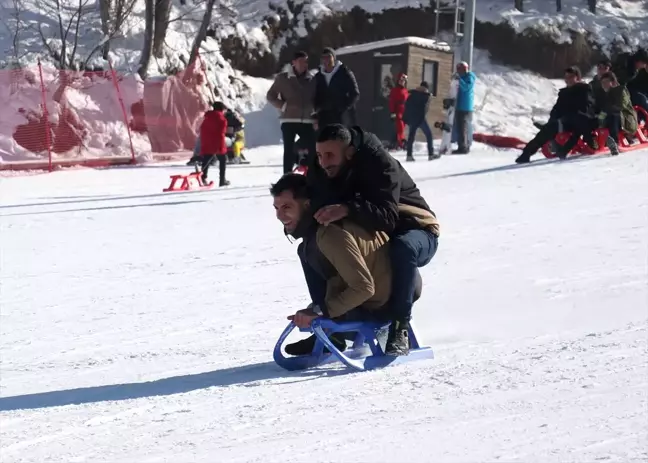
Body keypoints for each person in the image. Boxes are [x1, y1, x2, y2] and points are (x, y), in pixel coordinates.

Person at [306, 124, 439, 356]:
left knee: (403, 247)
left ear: (349, 151)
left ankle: (399, 328)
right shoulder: (323, 168)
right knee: (314, 245)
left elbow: (387, 217)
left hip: (416, 230)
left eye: (330, 155)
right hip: (377, 235)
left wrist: (347, 208)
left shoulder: (380, 163)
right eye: (319, 155)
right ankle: (331, 329)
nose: (324, 161)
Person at [271, 173, 401, 356]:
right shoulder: (318, 233)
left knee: (308, 252)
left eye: (287, 207)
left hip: (386, 303)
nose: (280, 215)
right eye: (276, 208)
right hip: (379, 294)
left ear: (306, 204)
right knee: (305, 250)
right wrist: (316, 310)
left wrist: (322, 312)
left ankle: (332, 335)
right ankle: (332, 335)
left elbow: (364, 288)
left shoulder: (329, 233)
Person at [516, 66, 596, 164]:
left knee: (578, 121)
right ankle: (527, 153)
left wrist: (572, 114)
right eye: (566, 77)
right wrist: (553, 119)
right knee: (549, 128)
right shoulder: (563, 93)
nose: (568, 80)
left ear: (577, 78)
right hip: (566, 121)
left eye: (571, 77)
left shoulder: (584, 89)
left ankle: (570, 148)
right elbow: (557, 109)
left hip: (583, 119)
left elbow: (587, 106)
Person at [266, 50, 317, 173]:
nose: (304, 64)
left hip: (308, 120)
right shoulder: (283, 78)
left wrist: (316, 114)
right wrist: (283, 106)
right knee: (288, 150)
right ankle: (287, 178)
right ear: (293, 62)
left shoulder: (313, 79)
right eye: (300, 61)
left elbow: (318, 98)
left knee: (312, 148)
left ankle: (310, 176)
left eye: (305, 61)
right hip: (288, 119)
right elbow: (270, 95)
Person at [313, 47, 360, 128]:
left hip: (341, 116)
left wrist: (345, 106)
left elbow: (355, 93)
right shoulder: (319, 76)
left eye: (328, 57)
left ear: (334, 58)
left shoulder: (344, 73)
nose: (326, 60)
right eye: (324, 58)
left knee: (340, 138)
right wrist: (317, 109)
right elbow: (315, 94)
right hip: (324, 115)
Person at [598, 71, 638, 155]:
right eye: (602, 83)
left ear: (613, 82)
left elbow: (622, 105)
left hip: (626, 118)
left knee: (613, 116)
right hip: (613, 117)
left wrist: (606, 111)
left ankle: (615, 143)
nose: (604, 85)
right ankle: (596, 141)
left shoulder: (621, 90)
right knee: (597, 118)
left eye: (606, 82)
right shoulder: (605, 94)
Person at [198, 101, 229, 186]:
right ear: (221, 109)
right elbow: (222, 133)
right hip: (217, 143)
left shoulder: (207, 117)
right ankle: (222, 180)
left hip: (207, 142)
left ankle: (203, 178)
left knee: (207, 159)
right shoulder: (222, 119)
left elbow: (202, 129)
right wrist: (220, 146)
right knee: (223, 160)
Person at [403, 81, 435, 161]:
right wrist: (429, 97)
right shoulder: (425, 96)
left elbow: (407, 106)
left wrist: (407, 118)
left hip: (412, 118)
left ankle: (409, 155)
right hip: (420, 119)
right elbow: (424, 109)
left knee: (411, 137)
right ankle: (431, 154)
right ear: (426, 88)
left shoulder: (412, 94)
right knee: (429, 134)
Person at [453, 61, 476, 154]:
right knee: (460, 127)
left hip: (466, 106)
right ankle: (462, 145)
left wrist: (459, 80)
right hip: (459, 105)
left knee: (463, 128)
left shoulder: (469, 77)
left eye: (460, 70)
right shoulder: (461, 77)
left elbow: (467, 87)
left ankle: (464, 147)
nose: (459, 72)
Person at [389, 73, 409, 150]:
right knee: (400, 129)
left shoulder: (405, 91)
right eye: (401, 80)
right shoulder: (394, 90)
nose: (402, 82)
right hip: (398, 112)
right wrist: (392, 112)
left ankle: (397, 143)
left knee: (401, 130)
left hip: (405, 112)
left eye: (404, 81)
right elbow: (392, 102)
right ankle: (402, 143)